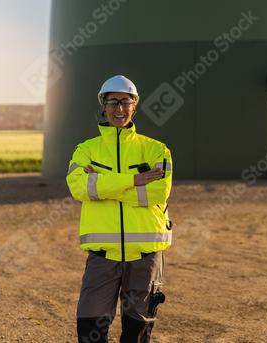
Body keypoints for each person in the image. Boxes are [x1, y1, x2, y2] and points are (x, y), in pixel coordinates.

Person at [66, 75, 173, 343]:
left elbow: (158, 192)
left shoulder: (156, 150)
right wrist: (133, 180)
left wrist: (103, 187)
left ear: (135, 106)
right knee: (89, 330)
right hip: (102, 256)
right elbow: (80, 189)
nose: (119, 109)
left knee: (137, 333)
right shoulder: (86, 150)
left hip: (145, 255)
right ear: (103, 105)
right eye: (112, 102)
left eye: (126, 102)